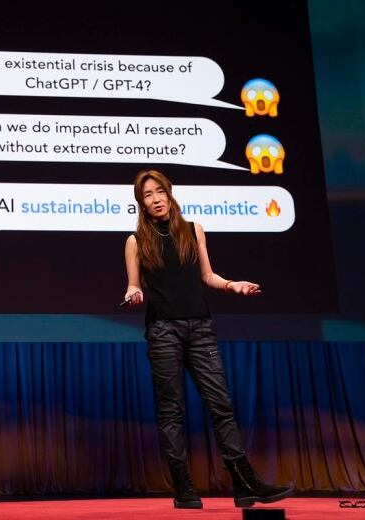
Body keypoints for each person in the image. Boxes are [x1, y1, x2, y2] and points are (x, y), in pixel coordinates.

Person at [123, 170, 292, 509]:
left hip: (200, 328)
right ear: (140, 202)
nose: (155, 199)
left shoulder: (193, 230)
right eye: (147, 195)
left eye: (159, 191)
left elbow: (208, 276)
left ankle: (245, 485)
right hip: (163, 331)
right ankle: (184, 489)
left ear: (169, 193)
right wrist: (132, 291)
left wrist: (232, 285)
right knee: (171, 411)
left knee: (221, 406)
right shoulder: (135, 241)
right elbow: (134, 284)